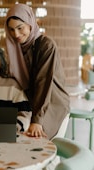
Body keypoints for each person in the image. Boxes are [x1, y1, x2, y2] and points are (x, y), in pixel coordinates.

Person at [4, 3, 70, 140]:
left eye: (20, 28)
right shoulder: (15, 49)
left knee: (35, 141)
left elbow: (43, 82)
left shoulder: (46, 45)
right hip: (30, 103)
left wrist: (37, 120)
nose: (16, 34)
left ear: (30, 24)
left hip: (51, 104)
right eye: (11, 29)